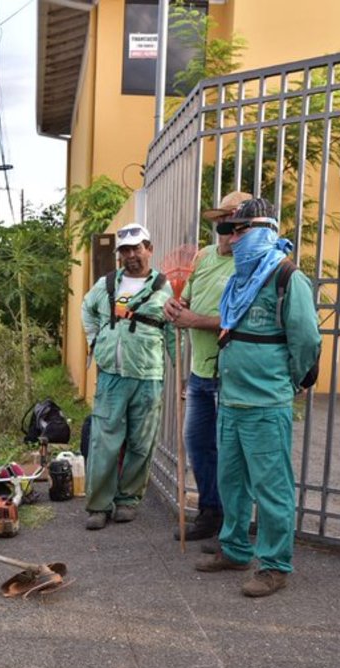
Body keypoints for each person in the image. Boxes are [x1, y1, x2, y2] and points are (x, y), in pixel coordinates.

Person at [195, 198, 321, 597]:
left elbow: (306, 339)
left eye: (238, 230)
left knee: (272, 486)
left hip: (266, 402)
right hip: (231, 398)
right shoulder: (239, 280)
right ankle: (234, 548)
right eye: (229, 231)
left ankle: (274, 565)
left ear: (262, 231)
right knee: (231, 480)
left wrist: (293, 380)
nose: (231, 238)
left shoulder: (286, 277)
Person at [164, 191, 252, 542]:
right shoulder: (202, 257)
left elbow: (242, 321)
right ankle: (210, 511)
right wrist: (175, 307)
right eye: (221, 223)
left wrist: (194, 319)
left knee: (231, 452)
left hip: (227, 373)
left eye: (233, 223)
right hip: (200, 371)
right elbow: (186, 298)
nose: (226, 230)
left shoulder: (249, 264)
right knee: (197, 442)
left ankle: (234, 525)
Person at [81, 222, 176, 530]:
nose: (131, 255)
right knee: (104, 440)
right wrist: (95, 340)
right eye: (125, 250)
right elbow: (87, 309)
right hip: (111, 374)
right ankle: (99, 505)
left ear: (149, 249)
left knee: (141, 441)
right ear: (119, 255)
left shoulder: (164, 287)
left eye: (137, 248)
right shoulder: (107, 283)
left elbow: (173, 330)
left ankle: (127, 500)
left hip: (148, 375)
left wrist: (181, 368)